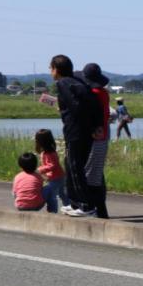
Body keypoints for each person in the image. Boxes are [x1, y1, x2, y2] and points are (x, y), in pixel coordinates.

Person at [48, 54, 100, 217]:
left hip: (76, 131)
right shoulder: (78, 81)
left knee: (75, 167)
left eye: (51, 68)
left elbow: (76, 107)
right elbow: (92, 104)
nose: (50, 71)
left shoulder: (63, 83)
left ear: (56, 69)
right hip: (84, 131)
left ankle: (86, 205)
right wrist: (94, 125)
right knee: (71, 166)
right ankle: (75, 202)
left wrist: (70, 114)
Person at [78, 63, 111, 219]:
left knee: (92, 176)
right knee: (97, 174)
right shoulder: (103, 92)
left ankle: (96, 210)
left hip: (96, 137)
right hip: (103, 134)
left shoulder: (94, 93)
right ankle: (100, 210)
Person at [34, 128, 67, 214]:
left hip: (55, 178)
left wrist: (39, 170)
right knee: (62, 194)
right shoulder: (49, 151)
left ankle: (53, 211)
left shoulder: (49, 153)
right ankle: (68, 206)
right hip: (59, 176)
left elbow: (52, 165)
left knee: (53, 195)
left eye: (37, 140)